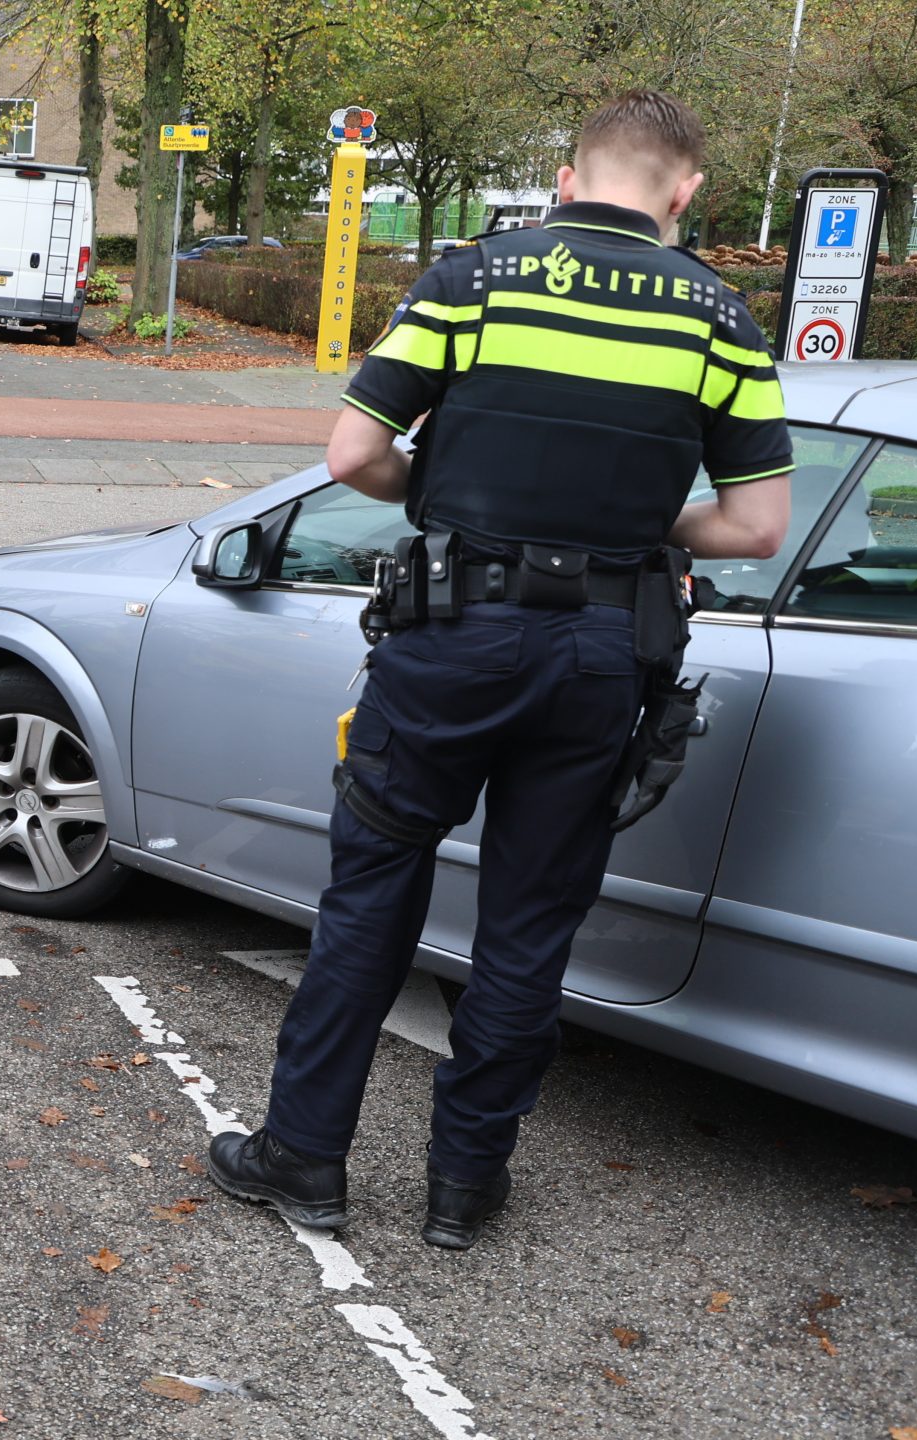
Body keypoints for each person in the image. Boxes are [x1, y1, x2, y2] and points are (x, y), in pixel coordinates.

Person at [206, 89, 794, 1250]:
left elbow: (351, 454)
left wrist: (448, 497)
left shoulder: (474, 280)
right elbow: (757, 528)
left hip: (454, 635)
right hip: (601, 654)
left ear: (568, 180)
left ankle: (304, 1157)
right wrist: (641, 533)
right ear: (684, 194)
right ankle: (463, 1188)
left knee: (372, 891)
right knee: (530, 921)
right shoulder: (722, 319)